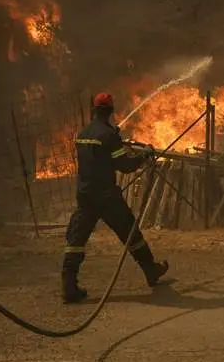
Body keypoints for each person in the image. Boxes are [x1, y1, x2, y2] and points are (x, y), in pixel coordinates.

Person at [62, 93, 169, 304]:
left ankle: (68, 287)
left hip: (85, 195)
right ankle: (151, 270)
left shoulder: (83, 134)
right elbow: (125, 166)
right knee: (130, 233)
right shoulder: (109, 136)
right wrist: (144, 154)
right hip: (107, 197)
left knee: (76, 239)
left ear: (94, 110)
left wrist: (113, 138)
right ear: (111, 111)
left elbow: (97, 155)